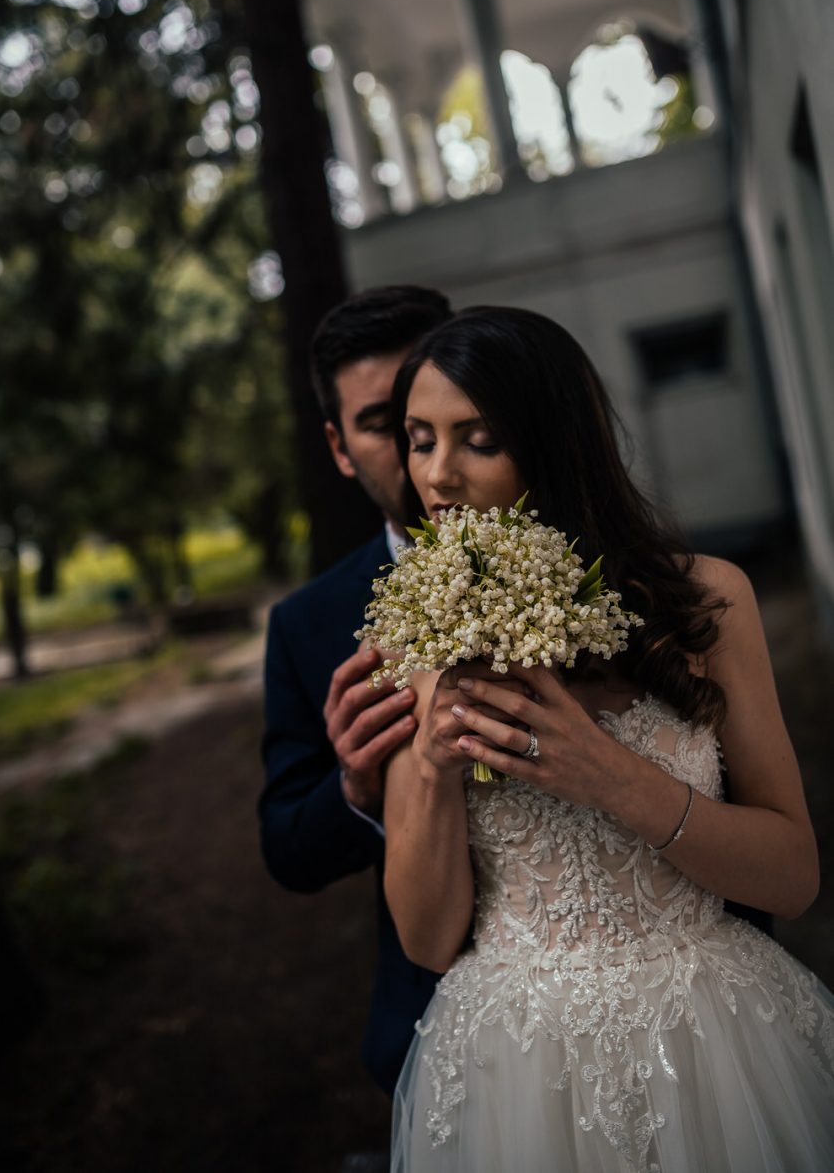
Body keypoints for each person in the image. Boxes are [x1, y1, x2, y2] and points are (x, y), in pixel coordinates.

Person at [383, 306, 834, 1172]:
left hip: (716, 1042)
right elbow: (427, 941)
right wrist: (434, 771)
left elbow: (796, 875)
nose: (438, 476)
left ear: (556, 445)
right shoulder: (419, 635)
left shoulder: (707, 604)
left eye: (478, 440)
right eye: (418, 439)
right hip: (516, 1070)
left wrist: (614, 779)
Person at [259, 284, 451, 1095]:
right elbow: (288, 849)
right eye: (382, 422)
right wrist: (357, 787)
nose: (417, 438)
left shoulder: (601, 568)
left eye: (430, 399)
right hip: (440, 1023)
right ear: (339, 449)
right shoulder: (309, 625)